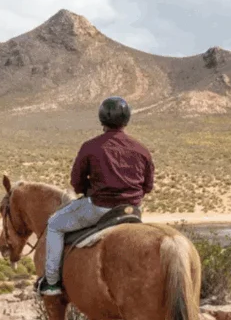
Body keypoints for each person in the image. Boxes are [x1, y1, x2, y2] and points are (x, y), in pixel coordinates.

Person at [35, 96, 155, 296]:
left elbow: (76, 183)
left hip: (100, 208)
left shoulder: (91, 147)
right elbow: (148, 186)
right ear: (127, 119)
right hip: (132, 210)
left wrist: (89, 189)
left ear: (102, 119)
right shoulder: (141, 149)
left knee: (55, 224)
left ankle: (52, 283)